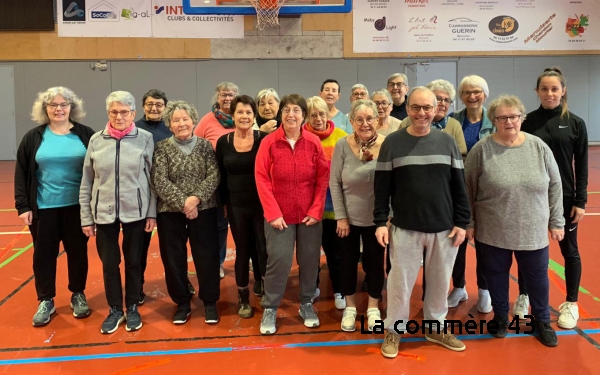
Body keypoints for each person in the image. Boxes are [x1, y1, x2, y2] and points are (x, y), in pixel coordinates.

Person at [375, 87, 470, 358]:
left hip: (444, 228)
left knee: (440, 282)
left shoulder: (447, 142)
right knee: (399, 283)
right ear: (407, 109)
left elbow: (458, 187)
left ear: (437, 109)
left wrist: (462, 222)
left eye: (427, 108)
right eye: (416, 107)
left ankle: (435, 327)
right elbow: (382, 187)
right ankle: (394, 329)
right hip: (405, 227)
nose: (422, 113)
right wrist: (381, 221)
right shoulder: (392, 143)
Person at [465, 94, 564, 347]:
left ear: (522, 118)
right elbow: (468, 189)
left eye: (514, 116)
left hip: (532, 229)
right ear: (494, 120)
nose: (509, 121)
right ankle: (500, 316)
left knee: (537, 277)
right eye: (502, 117)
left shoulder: (538, 147)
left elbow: (555, 185)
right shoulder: (482, 150)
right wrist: (470, 223)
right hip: (493, 229)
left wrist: (556, 221)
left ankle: (542, 320)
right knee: (496, 274)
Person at [15, 87, 95, 327]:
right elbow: (22, 172)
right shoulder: (34, 137)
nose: (58, 109)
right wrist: (23, 206)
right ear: (45, 108)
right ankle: (46, 299)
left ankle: (78, 294)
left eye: (63, 104)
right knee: (43, 256)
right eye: (53, 105)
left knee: (78, 254)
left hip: (77, 208)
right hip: (44, 209)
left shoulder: (85, 135)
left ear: (72, 107)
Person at [515, 68, 588, 329]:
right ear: (537, 91)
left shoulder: (576, 123)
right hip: (532, 196)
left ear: (563, 91)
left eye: (554, 88)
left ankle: (571, 303)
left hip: (565, 198)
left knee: (570, 250)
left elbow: (582, 164)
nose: (549, 93)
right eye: (544, 89)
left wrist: (580, 200)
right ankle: (523, 296)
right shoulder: (527, 121)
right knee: (526, 248)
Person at [80, 91, 156, 334]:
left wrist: (151, 213)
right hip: (103, 214)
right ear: (108, 113)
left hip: (136, 213)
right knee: (110, 264)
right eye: (114, 112)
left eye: (124, 112)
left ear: (133, 113)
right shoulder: (95, 140)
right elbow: (87, 182)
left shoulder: (145, 138)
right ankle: (115, 309)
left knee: (134, 262)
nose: (119, 116)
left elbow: (152, 179)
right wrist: (86, 217)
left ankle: (132, 306)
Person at [255, 94, 329, 335]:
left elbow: (322, 178)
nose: (291, 114)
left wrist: (316, 209)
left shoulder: (313, 142)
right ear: (281, 114)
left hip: (309, 216)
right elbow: (262, 178)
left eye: (296, 110)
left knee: (309, 261)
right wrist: (273, 213)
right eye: (286, 110)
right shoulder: (269, 142)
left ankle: (306, 302)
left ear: (303, 115)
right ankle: (271, 306)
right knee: (279, 260)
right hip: (279, 217)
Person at [152, 100, 221, 325]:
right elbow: (159, 181)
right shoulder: (161, 148)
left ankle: (210, 302)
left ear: (193, 121)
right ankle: (182, 302)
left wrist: (195, 200)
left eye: (185, 119)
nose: (181, 123)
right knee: (174, 259)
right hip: (170, 213)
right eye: (176, 120)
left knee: (207, 257)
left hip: (204, 210)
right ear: (169, 125)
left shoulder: (204, 146)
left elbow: (214, 175)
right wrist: (184, 203)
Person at [134, 89, 195, 304]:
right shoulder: (136, 129)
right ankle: (137, 286)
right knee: (140, 248)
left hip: (172, 200)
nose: (154, 108)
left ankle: (182, 281)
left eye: (159, 104)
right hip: (146, 198)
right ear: (143, 106)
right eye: (150, 104)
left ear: (165, 107)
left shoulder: (170, 128)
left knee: (178, 248)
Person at [330, 99, 386, 332]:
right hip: (348, 220)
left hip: (377, 219)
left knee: (375, 263)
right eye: (359, 119)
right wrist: (341, 217)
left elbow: (393, 185)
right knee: (347, 263)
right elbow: (334, 182)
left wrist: (387, 218)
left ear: (377, 120)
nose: (365, 124)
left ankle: (373, 307)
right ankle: (350, 307)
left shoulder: (387, 145)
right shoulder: (342, 145)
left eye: (369, 118)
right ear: (351, 121)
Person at [216, 95, 268, 318]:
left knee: (263, 249)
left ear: (254, 115)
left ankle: (263, 286)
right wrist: (223, 204)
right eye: (240, 112)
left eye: (248, 112)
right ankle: (243, 296)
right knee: (243, 250)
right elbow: (219, 175)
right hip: (236, 205)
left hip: (262, 205)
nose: (244, 116)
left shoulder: (264, 139)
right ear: (233, 115)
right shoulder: (223, 142)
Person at [447, 75, 494, 313]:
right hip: (457, 189)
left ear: (485, 94)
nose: (472, 96)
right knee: (458, 240)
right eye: (467, 92)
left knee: (486, 243)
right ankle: (459, 286)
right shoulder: (453, 120)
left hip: (486, 190)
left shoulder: (494, 121)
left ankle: (484, 290)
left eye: (476, 91)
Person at [304, 96, 348, 310]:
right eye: (313, 115)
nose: (318, 119)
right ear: (307, 117)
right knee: (310, 254)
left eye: (322, 114)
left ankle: (339, 289)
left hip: (333, 209)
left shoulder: (341, 137)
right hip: (309, 209)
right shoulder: (301, 138)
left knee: (336, 253)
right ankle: (312, 288)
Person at [194, 82, 240, 279]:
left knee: (242, 224)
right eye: (223, 95)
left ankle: (246, 258)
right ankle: (219, 262)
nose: (227, 98)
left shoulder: (243, 117)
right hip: (215, 182)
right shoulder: (207, 120)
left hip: (239, 180)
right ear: (217, 97)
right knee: (220, 225)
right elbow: (195, 146)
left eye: (230, 94)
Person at [401, 80, 467, 157]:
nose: (443, 103)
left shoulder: (454, 125)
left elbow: (462, 156)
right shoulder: (408, 121)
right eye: (438, 98)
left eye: (447, 100)